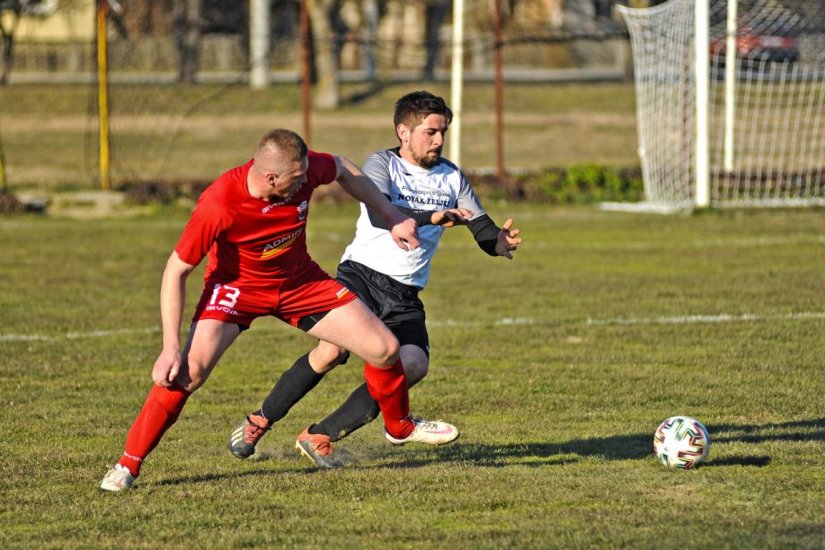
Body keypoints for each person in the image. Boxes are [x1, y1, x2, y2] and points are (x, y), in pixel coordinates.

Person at [99, 128, 458, 492]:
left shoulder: (303, 170)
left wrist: (390, 214)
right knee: (186, 374)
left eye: (306, 173)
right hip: (237, 290)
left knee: (384, 349)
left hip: (300, 284)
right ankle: (127, 464)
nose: (306, 182)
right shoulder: (220, 204)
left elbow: (343, 169)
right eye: (297, 177)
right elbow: (176, 270)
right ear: (271, 177)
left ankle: (399, 427)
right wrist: (169, 348)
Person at [228, 91, 522, 468]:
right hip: (362, 277)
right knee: (331, 352)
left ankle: (319, 435)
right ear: (404, 130)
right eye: (431, 131)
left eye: (443, 132)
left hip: (405, 293)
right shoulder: (383, 164)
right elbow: (384, 212)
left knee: (412, 364)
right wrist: (433, 217)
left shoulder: (451, 176)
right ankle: (260, 420)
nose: (439, 140)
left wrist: (497, 241)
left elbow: (479, 226)